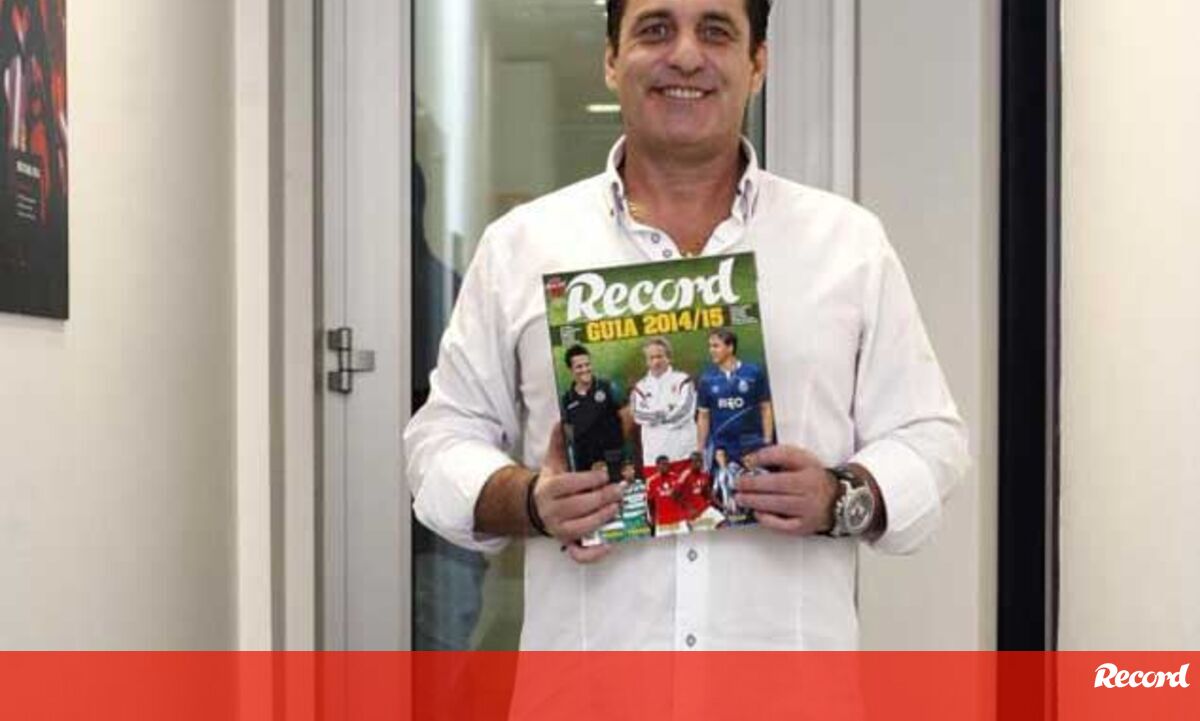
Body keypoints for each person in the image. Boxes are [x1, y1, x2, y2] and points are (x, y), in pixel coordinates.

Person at [405, 0, 969, 650]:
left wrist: (840, 497)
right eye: (655, 29)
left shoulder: (847, 244)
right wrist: (532, 499)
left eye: (715, 31)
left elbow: (930, 438)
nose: (685, 55)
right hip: (595, 690)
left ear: (757, 64)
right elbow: (439, 441)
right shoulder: (521, 247)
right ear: (612, 60)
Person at [695, 329, 772, 461]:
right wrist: (700, 450)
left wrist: (767, 440)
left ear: (730, 347)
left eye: (716, 346)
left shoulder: (753, 373)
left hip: (751, 443)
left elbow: (765, 408)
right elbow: (703, 416)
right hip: (722, 448)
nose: (711, 350)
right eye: (710, 346)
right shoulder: (707, 379)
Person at [630, 337, 697, 467]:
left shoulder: (683, 380)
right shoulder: (639, 387)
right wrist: (666, 412)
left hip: (684, 454)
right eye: (651, 358)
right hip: (654, 457)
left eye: (659, 356)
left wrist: (657, 417)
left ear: (669, 358)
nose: (656, 362)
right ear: (646, 361)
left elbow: (685, 411)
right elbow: (638, 415)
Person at [560, 344, 627, 471]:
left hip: (612, 459)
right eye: (579, 366)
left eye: (587, 364)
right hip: (585, 464)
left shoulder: (607, 387)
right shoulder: (567, 399)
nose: (585, 369)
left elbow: (625, 419)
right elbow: (569, 436)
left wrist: (625, 457)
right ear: (570, 369)